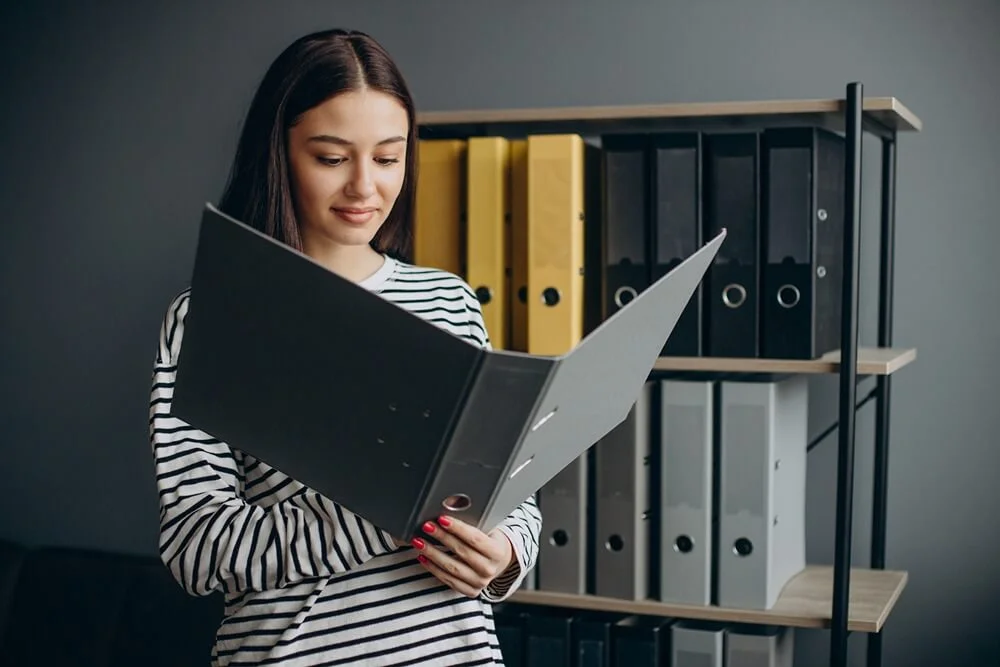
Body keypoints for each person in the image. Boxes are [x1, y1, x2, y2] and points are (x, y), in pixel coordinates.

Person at [149, 28, 541, 666]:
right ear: (278, 154)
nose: (365, 188)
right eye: (332, 158)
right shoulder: (210, 319)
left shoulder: (450, 302)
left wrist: (505, 557)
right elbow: (196, 549)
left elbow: (511, 492)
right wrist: (386, 512)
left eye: (388, 158)